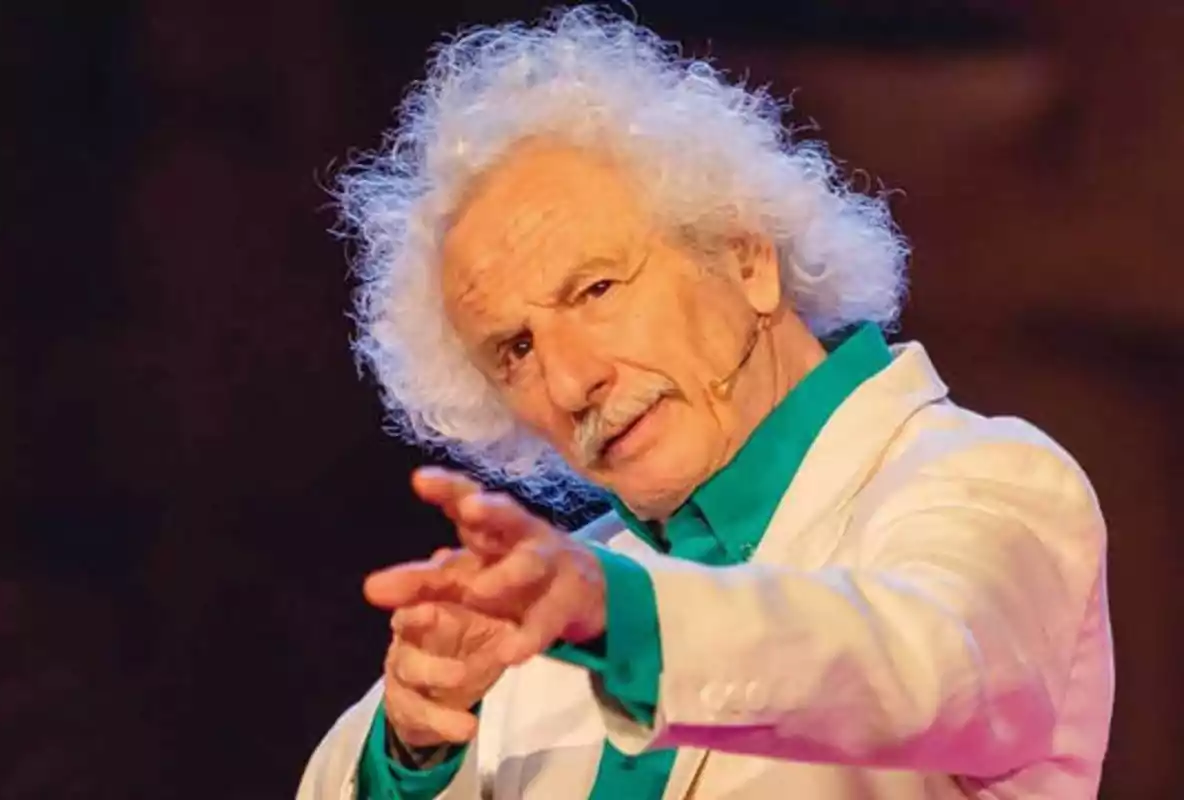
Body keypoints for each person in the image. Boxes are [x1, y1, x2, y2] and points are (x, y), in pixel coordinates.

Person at [298, 6, 1114, 799]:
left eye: (595, 289)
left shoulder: (986, 478)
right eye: (516, 350)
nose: (570, 382)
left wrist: (619, 620)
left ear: (747, 259)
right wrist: (417, 744)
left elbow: (923, 668)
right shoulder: (553, 591)